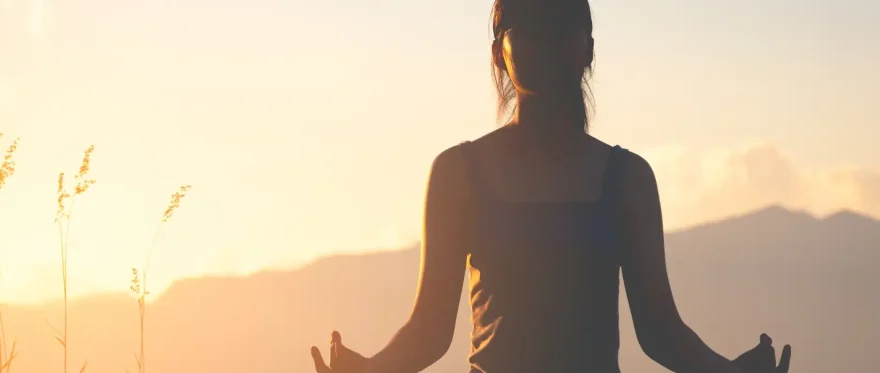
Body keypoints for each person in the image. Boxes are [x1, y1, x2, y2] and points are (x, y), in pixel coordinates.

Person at [310, 0, 792, 372]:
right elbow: (430, 331)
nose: (544, 36)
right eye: (527, 22)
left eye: (560, 21)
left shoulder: (629, 180)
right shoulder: (457, 174)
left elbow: (660, 330)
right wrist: (368, 368)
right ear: (499, 50)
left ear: (587, 47)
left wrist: (729, 370)